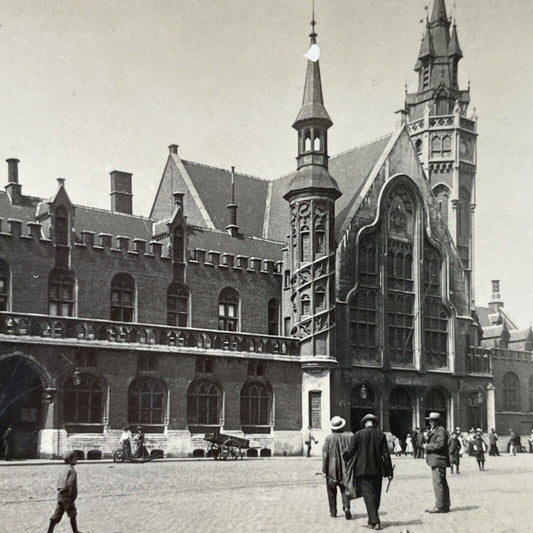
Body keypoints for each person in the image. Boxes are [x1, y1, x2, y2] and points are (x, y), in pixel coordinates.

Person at [350, 413, 393, 530]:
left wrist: (344, 457)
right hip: (377, 470)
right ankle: (372, 519)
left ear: (364, 423)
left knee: (368, 496)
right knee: (376, 495)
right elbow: (386, 455)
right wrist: (389, 472)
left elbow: (350, 451)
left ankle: (375, 521)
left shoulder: (358, 434)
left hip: (362, 470)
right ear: (374, 424)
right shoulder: (381, 435)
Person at [322, 416, 355, 520]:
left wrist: (324, 469)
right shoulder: (348, 437)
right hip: (345, 469)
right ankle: (346, 508)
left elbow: (325, 455)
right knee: (345, 489)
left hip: (331, 470)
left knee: (331, 491)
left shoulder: (328, 438)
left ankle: (333, 512)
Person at [47, 451, 84, 533]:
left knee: (57, 513)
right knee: (73, 514)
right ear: (71, 460)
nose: (76, 460)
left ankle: (49, 531)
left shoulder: (63, 469)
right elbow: (71, 484)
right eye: (75, 458)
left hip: (61, 494)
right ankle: (75, 531)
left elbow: (60, 482)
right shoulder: (72, 470)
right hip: (68, 495)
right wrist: (71, 496)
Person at [423, 412, 450, 514]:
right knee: (441, 483)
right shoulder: (436, 430)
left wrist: (427, 446)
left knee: (438, 483)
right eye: (430, 421)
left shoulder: (440, 431)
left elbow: (440, 445)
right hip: (437, 460)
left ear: (437, 421)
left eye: (432, 421)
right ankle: (445, 504)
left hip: (438, 460)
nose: (430, 422)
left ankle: (439, 506)